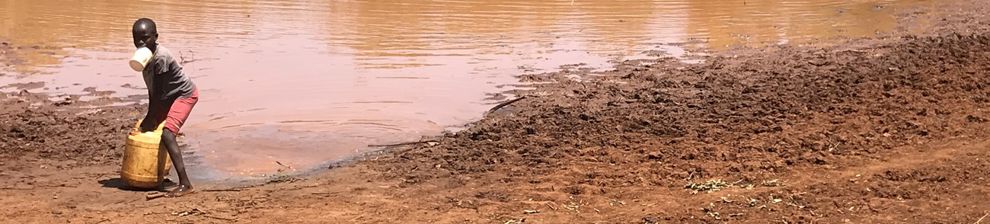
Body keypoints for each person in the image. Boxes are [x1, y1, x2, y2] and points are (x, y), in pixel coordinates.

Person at [130, 18, 198, 197]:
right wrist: (150, 118)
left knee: (167, 134)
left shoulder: (161, 57)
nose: (141, 42)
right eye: (137, 38)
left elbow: (158, 94)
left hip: (184, 94)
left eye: (145, 38)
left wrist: (151, 115)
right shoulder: (144, 59)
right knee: (149, 128)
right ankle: (155, 174)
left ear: (156, 37)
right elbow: (153, 90)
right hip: (168, 95)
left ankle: (185, 184)